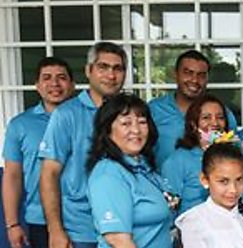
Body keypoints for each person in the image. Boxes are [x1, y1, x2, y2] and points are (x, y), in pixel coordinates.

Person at [39, 42, 127, 248]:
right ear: (88, 71)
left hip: (125, 225)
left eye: (118, 69)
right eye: (103, 67)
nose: (111, 75)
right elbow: (49, 173)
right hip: (81, 230)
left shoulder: (130, 112)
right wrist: (55, 229)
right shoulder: (66, 114)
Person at [3, 57, 75, 248]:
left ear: (72, 84)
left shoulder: (86, 119)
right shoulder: (20, 125)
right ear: (37, 85)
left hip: (83, 218)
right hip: (40, 218)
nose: (54, 83)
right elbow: (12, 175)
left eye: (61, 77)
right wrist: (12, 224)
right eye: (47, 77)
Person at [86, 93, 173, 247]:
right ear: (107, 130)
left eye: (142, 122)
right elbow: (118, 240)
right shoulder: (109, 174)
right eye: (126, 123)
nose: (136, 130)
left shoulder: (143, 166)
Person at [149, 50, 238, 167]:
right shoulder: (154, 109)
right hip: (162, 182)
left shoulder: (221, 114)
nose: (194, 80)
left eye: (201, 75)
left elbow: (232, 154)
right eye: (188, 73)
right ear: (175, 75)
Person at [175, 143, 243, 248]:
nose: (233, 190)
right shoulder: (195, 222)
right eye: (223, 181)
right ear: (204, 180)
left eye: (239, 180)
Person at [161, 95, 229, 215]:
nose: (215, 123)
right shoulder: (178, 160)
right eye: (206, 117)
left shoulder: (231, 157)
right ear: (193, 124)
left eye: (220, 117)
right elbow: (169, 209)